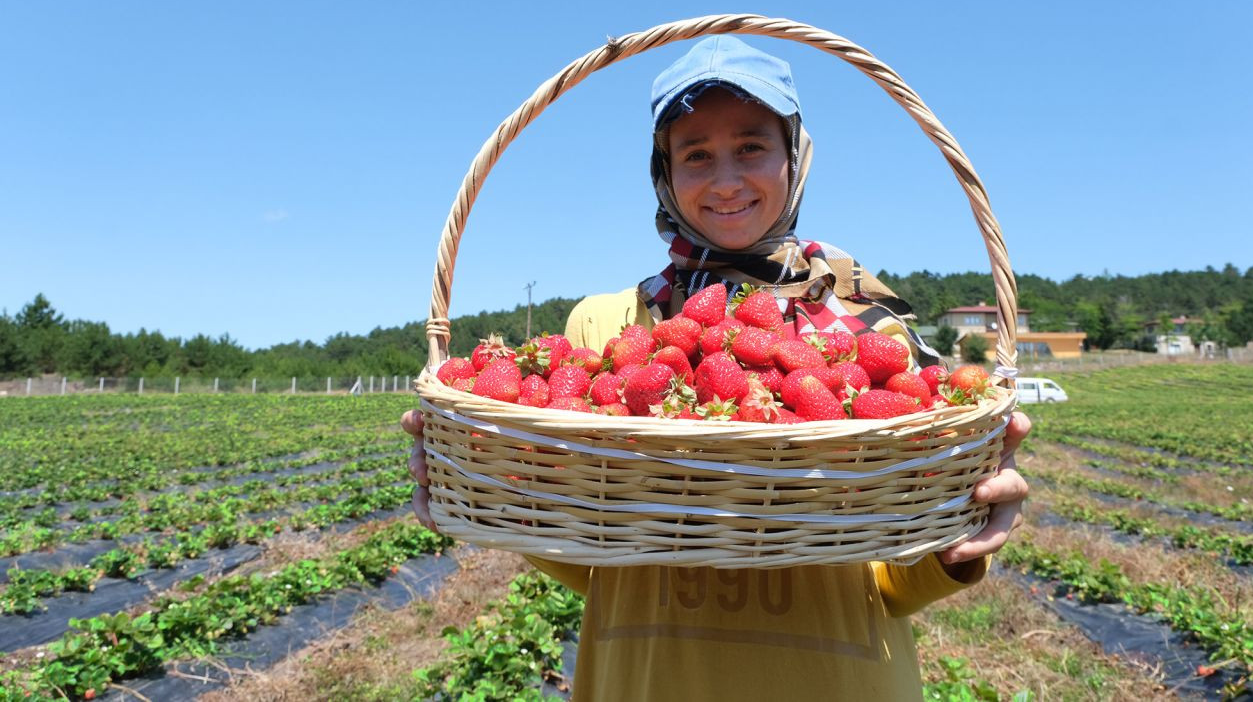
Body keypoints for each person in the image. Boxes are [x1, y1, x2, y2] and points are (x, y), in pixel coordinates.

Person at [403, 36, 1031, 701]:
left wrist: (957, 543)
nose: (726, 179)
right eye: (696, 155)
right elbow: (588, 551)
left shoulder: (874, 331)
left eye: (753, 146)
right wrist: (489, 481)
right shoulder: (605, 329)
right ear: (664, 174)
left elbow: (893, 578)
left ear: (796, 155)